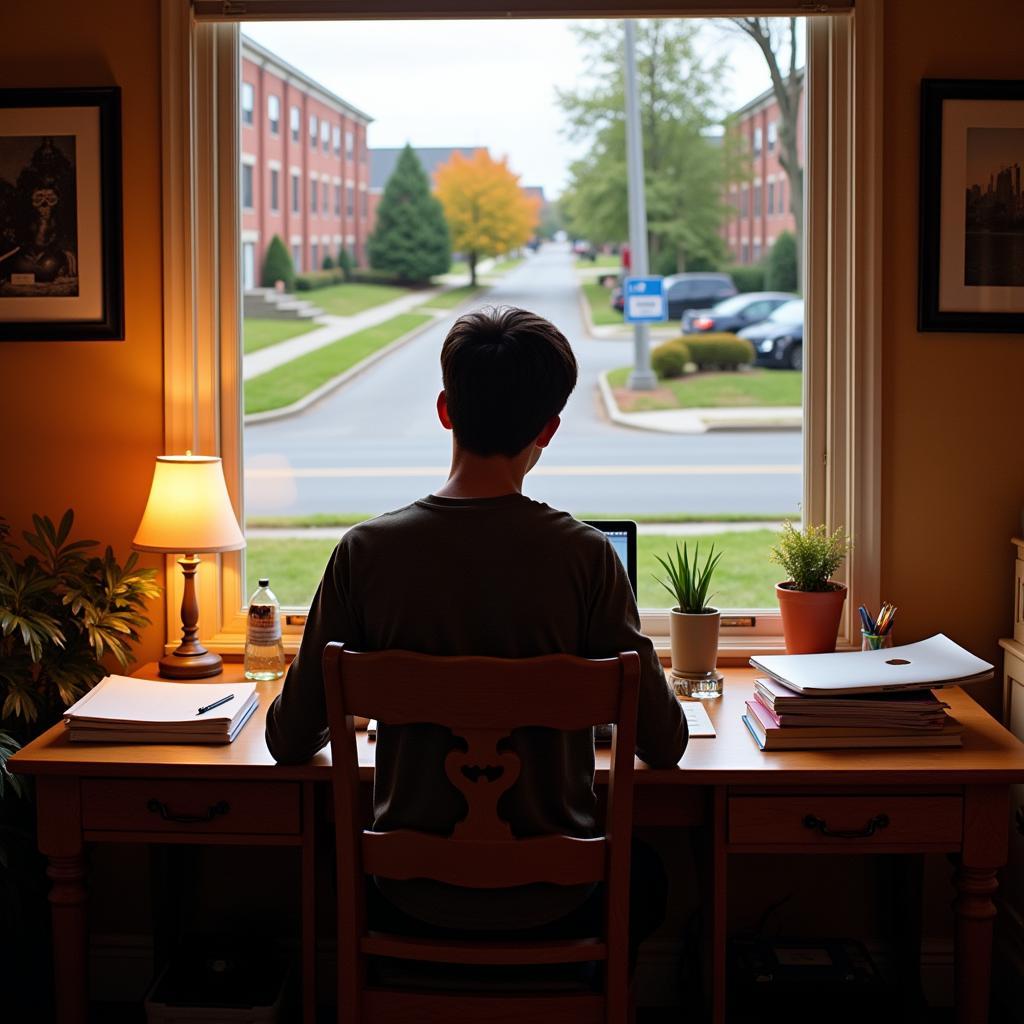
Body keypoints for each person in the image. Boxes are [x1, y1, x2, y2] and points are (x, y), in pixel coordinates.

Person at [266, 306, 686, 939]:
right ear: (548, 429)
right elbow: (665, 743)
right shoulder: (588, 558)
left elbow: (289, 739)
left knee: (320, 866)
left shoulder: (366, 553)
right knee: (653, 876)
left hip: (405, 893)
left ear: (445, 409)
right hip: (560, 896)